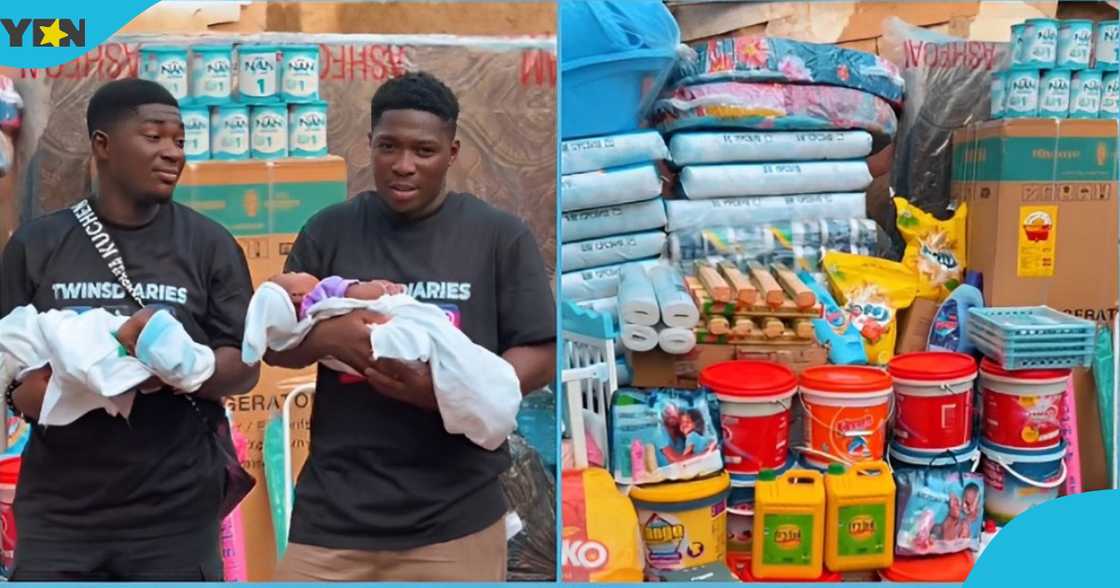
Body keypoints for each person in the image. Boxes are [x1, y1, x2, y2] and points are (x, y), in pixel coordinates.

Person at [267, 71, 556, 582]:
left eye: (424, 151)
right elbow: (276, 346)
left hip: (455, 520)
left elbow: (540, 352)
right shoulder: (330, 229)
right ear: (370, 146)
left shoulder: (497, 237)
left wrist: (445, 390)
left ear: (452, 151)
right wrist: (330, 337)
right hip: (333, 518)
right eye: (389, 147)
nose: (403, 166)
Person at [0, 78, 259, 581]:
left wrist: (177, 370)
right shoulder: (39, 245)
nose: (172, 153)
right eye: (154, 137)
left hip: (174, 519)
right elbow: (8, 356)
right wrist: (27, 392)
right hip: (60, 517)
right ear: (103, 145)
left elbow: (244, 365)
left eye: (179, 141)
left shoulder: (209, 245)